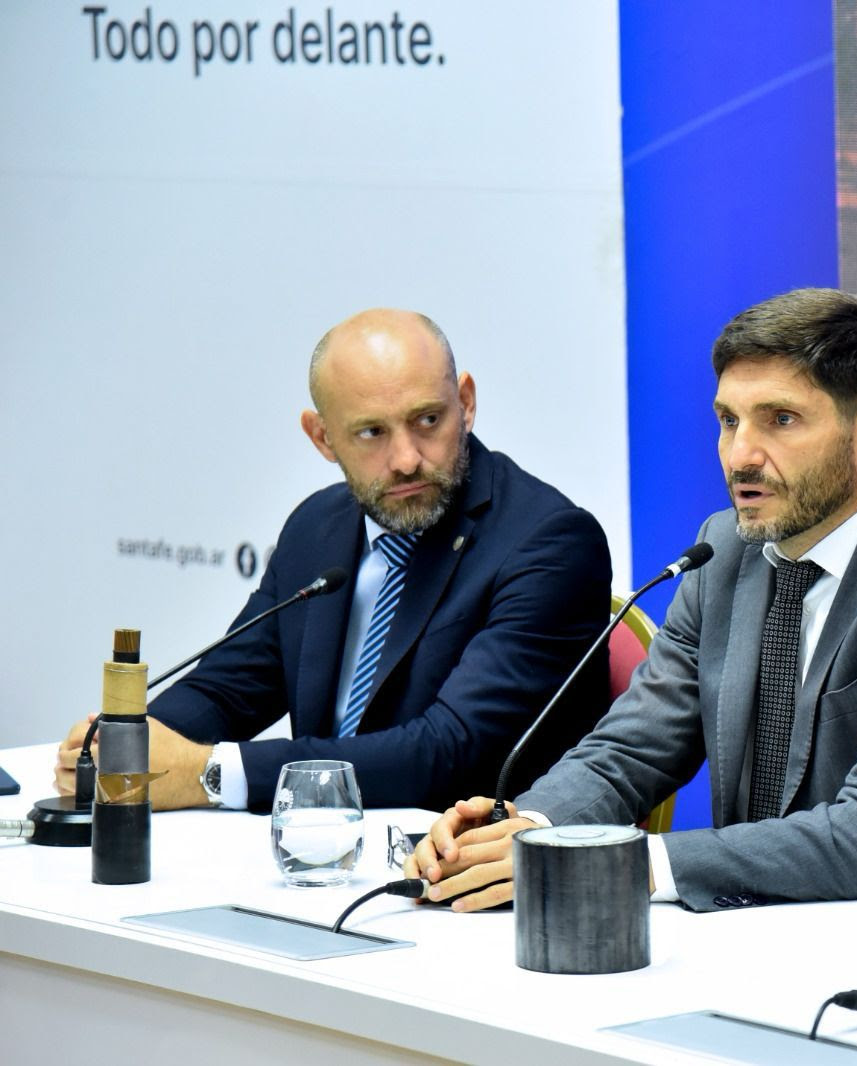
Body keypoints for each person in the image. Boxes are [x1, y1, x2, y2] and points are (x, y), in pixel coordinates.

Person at [408, 287, 857, 912]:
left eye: (781, 420)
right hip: (749, 930)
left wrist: (621, 862)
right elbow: (631, 749)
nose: (740, 455)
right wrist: (532, 830)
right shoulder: (724, 550)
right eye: (728, 420)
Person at [54, 309, 612, 812]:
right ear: (322, 437)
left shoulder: (549, 542)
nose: (406, 459)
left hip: (464, 865)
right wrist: (128, 745)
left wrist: (209, 774)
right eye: (371, 432)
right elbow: (228, 688)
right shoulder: (317, 527)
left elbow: (447, 753)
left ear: (465, 403)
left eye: (427, 420)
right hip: (319, 852)